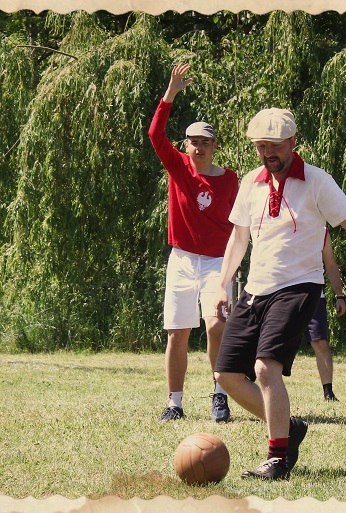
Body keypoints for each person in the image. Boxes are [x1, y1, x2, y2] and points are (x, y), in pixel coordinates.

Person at [213, 107, 346, 480]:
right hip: (256, 289)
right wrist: (223, 284)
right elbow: (238, 238)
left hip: (299, 286)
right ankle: (291, 428)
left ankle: (278, 458)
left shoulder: (317, 181)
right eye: (260, 146)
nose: (268, 153)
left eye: (275, 146)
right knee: (226, 374)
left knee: (265, 368)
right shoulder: (251, 181)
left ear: (293, 142)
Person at [148, 63, 239, 423]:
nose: (198, 147)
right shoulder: (179, 167)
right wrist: (170, 93)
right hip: (182, 260)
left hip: (218, 263)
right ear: (186, 145)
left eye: (205, 141)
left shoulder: (231, 180)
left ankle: (220, 394)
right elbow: (156, 134)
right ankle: (174, 403)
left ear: (214, 146)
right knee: (178, 332)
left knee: (217, 326)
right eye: (193, 141)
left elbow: (241, 225)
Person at [306, 229, 346, 402]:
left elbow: (330, 264)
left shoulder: (322, 231)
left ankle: (328, 392)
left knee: (320, 343)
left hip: (314, 295)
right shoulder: (284, 223)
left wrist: (339, 295)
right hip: (283, 293)